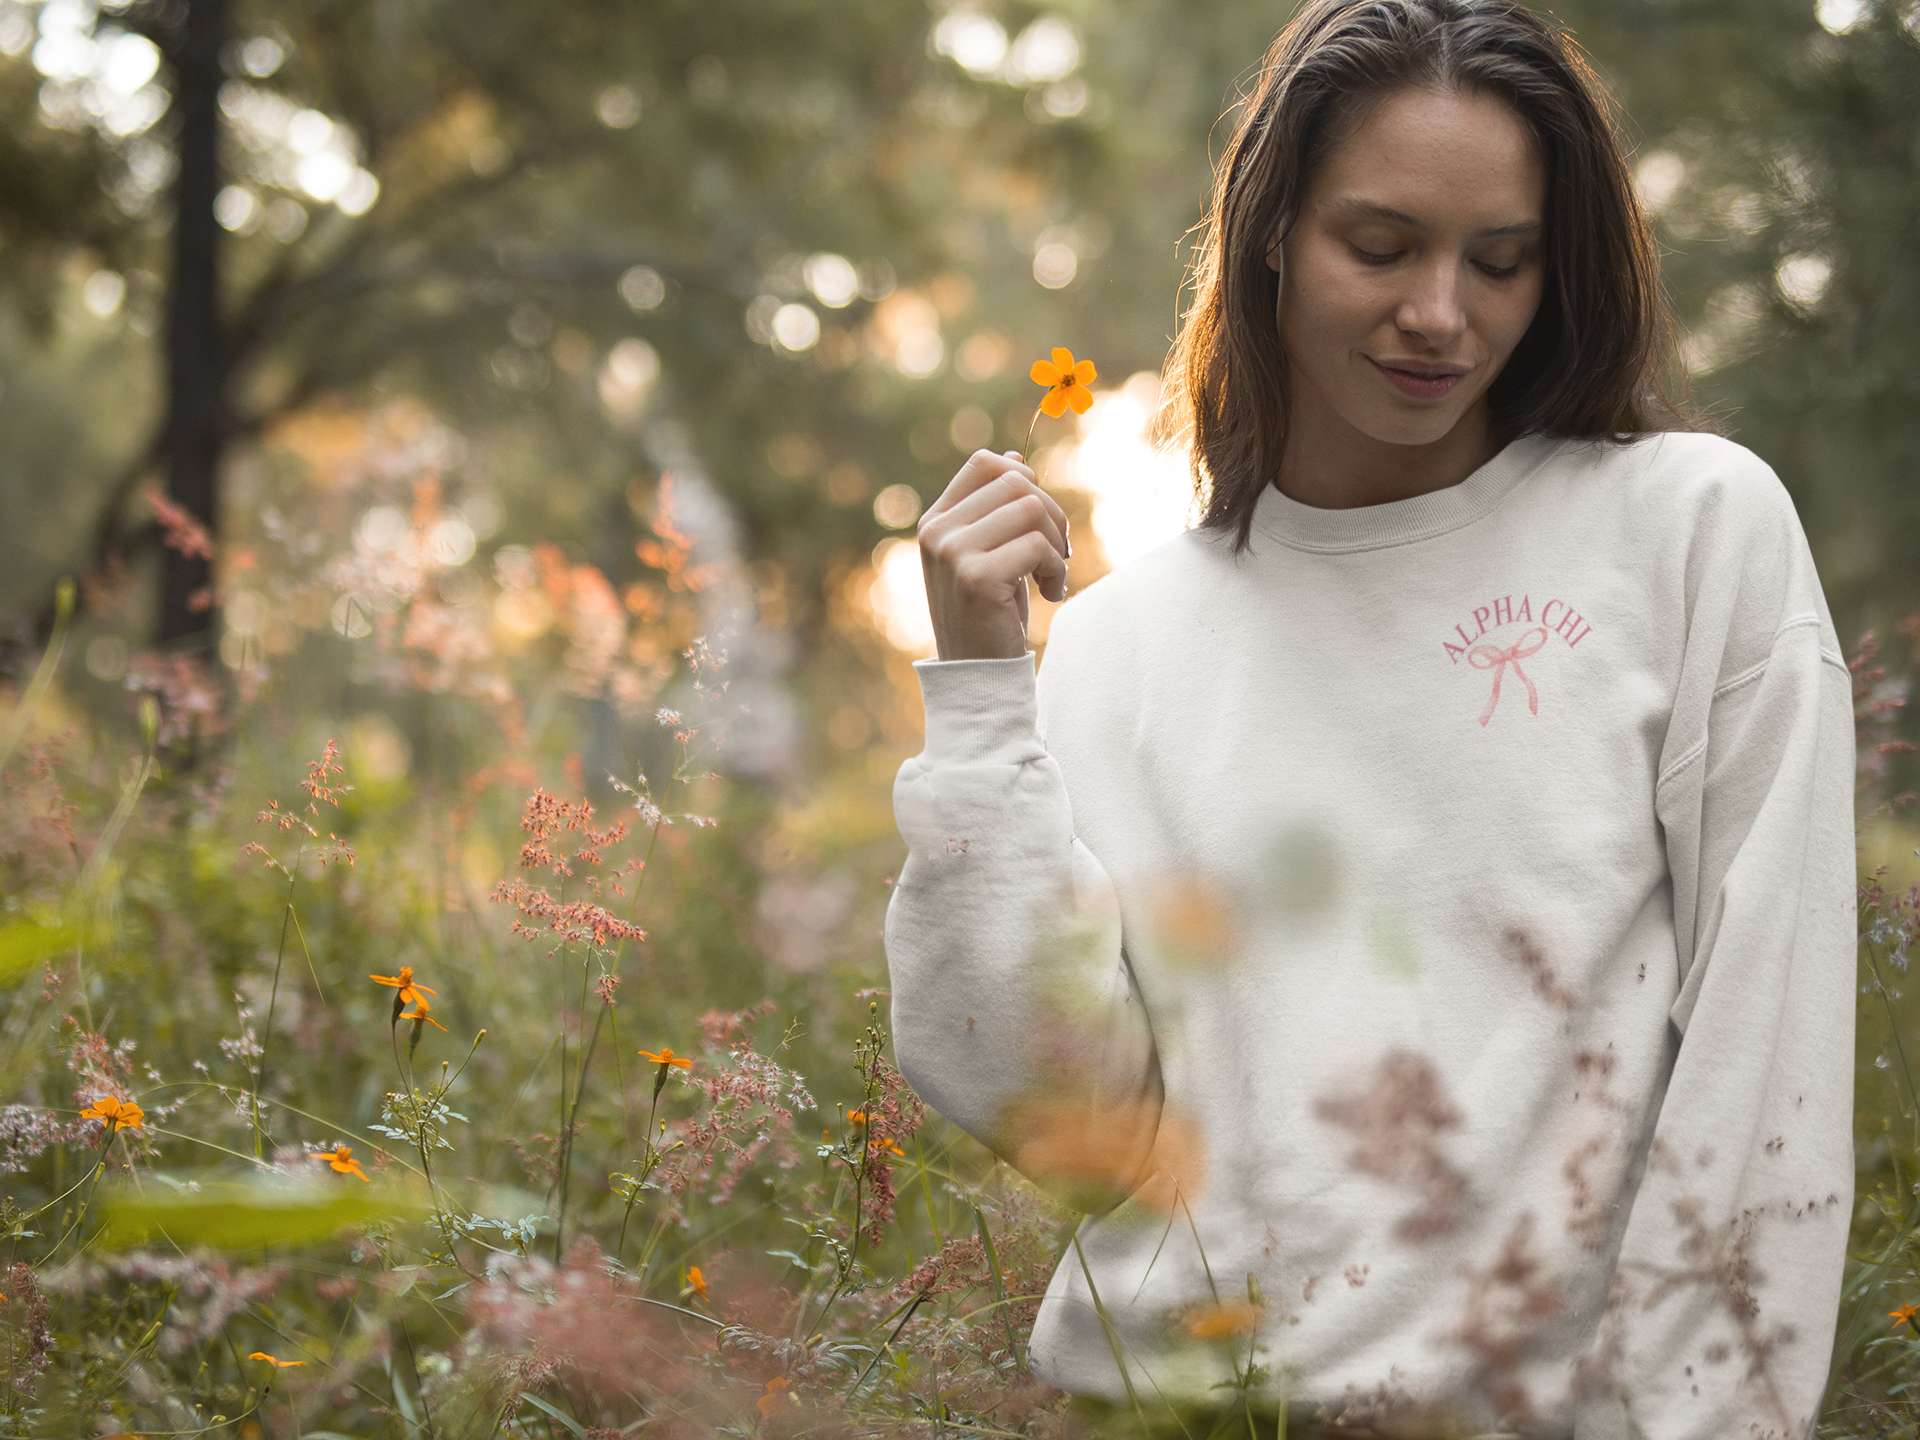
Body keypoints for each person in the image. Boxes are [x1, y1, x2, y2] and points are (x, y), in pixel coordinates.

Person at [884, 0, 1857, 1436]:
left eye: (1501, 260)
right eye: (1382, 246)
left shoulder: (1689, 532)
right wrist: (979, 697)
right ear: (1271, 232)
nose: (1441, 314)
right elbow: (1054, 1109)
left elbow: (1762, 1047)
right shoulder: (1115, 652)